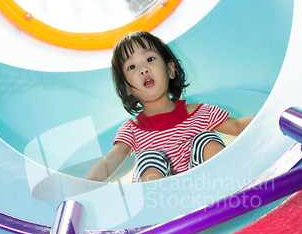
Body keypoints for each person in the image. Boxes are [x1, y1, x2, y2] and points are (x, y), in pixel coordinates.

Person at [86, 31, 253, 182]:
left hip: (204, 186)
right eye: (131, 67)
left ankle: (226, 184)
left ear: (170, 70)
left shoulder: (197, 112)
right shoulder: (132, 130)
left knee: (205, 140)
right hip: (165, 200)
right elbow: (109, 162)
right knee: (148, 158)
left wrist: (272, 115)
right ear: (127, 88)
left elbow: (237, 126)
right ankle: (156, 206)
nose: (143, 69)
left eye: (150, 59)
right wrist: (84, 186)